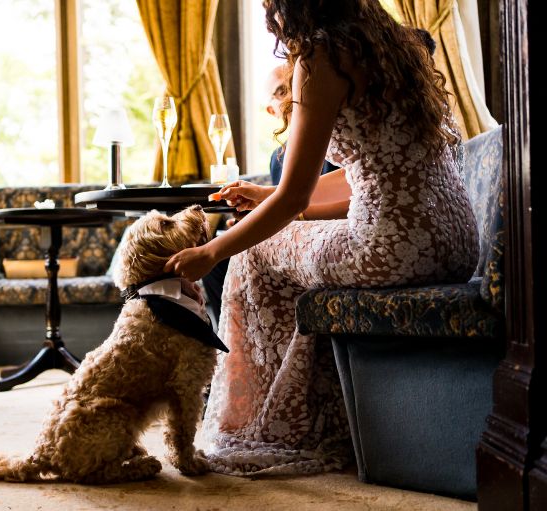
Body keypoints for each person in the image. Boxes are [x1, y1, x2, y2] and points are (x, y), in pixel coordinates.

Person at [165, 0, 477, 477]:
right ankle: (327, 414)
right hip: (455, 239)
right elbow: (369, 170)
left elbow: (294, 200)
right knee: (284, 241)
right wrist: (270, 194)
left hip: (391, 247)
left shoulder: (320, 56)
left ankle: (268, 426)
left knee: (251, 257)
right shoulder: (390, 43)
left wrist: (212, 250)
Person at [202, 64, 342, 326]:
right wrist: (256, 215)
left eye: (293, 86)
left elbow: (298, 203)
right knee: (218, 264)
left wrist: (276, 216)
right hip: (294, 231)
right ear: (270, 110)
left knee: (225, 256)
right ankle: (233, 344)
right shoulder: (277, 159)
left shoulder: (336, 140)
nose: (290, 95)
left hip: (325, 233)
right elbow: (287, 201)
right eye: (280, 91)